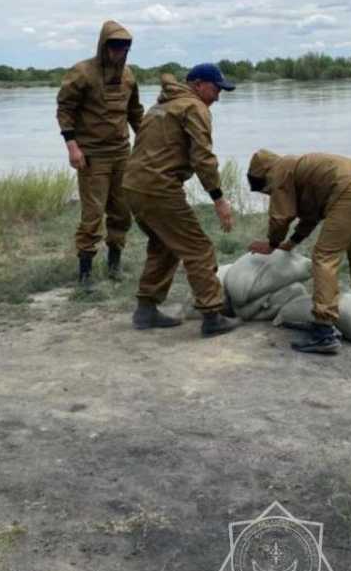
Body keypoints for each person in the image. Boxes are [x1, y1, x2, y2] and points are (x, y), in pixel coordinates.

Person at [123, 63, 240, 336]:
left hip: (133, 186)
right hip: (158, 188)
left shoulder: (160, 106)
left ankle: (146, 310)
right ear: (198, 84)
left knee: (164, 245)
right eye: (215, 89)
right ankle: (212, 315)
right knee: (197, 248)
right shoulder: (194, 107)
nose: (218, 97)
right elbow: (203, 158)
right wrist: (219, 199)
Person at [246, 150, 351, 354]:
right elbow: (310, 216)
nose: (269, 194)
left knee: (324, 256)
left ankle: (323, 330)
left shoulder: (278, 172)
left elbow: (281, 216)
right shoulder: (296, 168)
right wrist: (291, 242)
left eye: (267, 191)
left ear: (264, 176)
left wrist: (272, 243)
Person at [56, 20, 146, 285]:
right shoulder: (82, 73)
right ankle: (85, 273)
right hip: (92, 155)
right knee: (92, 215)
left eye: (125, 46)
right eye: (115, 45)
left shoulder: (129, 75)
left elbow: (135, 113)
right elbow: (65, 110)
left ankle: (114, 266)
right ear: (104, 45)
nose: (120, 51)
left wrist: (148, 141)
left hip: (122, 153)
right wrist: (72, 147)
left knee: (121, 212)